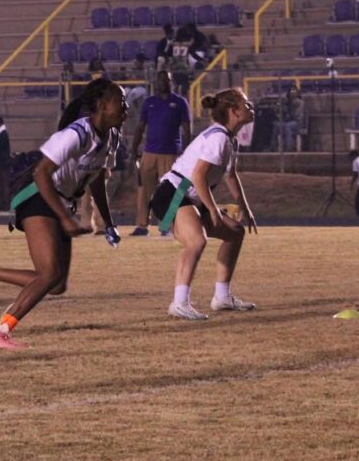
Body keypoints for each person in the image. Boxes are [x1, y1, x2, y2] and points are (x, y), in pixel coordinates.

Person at [0, 79, 127, 350]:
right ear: (102, 105)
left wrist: (108, 223)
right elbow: (41, 173)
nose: (126, 107)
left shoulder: (113, 138)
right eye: (121, 101)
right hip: (37, 194)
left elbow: (96, 179)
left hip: (60, 201)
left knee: (56, 283)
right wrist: (65, 218)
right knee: (49, 274)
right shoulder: (77, 134)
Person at [151, 87, 258, 320]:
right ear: (233, 110)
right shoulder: (218, 138)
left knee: (235, 233)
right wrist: (212, 209)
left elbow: (230, 175)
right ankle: (179, 303)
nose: (251, 107)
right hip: (173, 193)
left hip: (189, 195)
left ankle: (222, 297)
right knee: (196, 241)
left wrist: (244, 207)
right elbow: (198, 176)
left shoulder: (229, 139)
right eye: (246, 104)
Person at [130, 70, 192, 237]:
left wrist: (186, 152)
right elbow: (140, 127)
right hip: (149, 152)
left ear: (171, 82)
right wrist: (134, 148)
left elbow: (187, 129)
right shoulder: (149, 102)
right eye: (160, 79)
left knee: (169, 191)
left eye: (167, 79)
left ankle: (166, 226)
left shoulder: (180, 102)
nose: (163, 82)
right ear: (156, 82)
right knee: (144, 190)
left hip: (171, 153)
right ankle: (142, 225)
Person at [274, 86, 304, 152]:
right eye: (291, 91)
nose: (292, 93)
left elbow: (296, 115)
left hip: (297, 122)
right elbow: (278, 110)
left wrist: (289, 112)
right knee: (276, 125)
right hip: (287, 121)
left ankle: (289, 147)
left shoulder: (300, 102)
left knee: (287, 126)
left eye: (294, 91)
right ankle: (273, 147)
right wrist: (280, 107)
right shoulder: (286, 102)